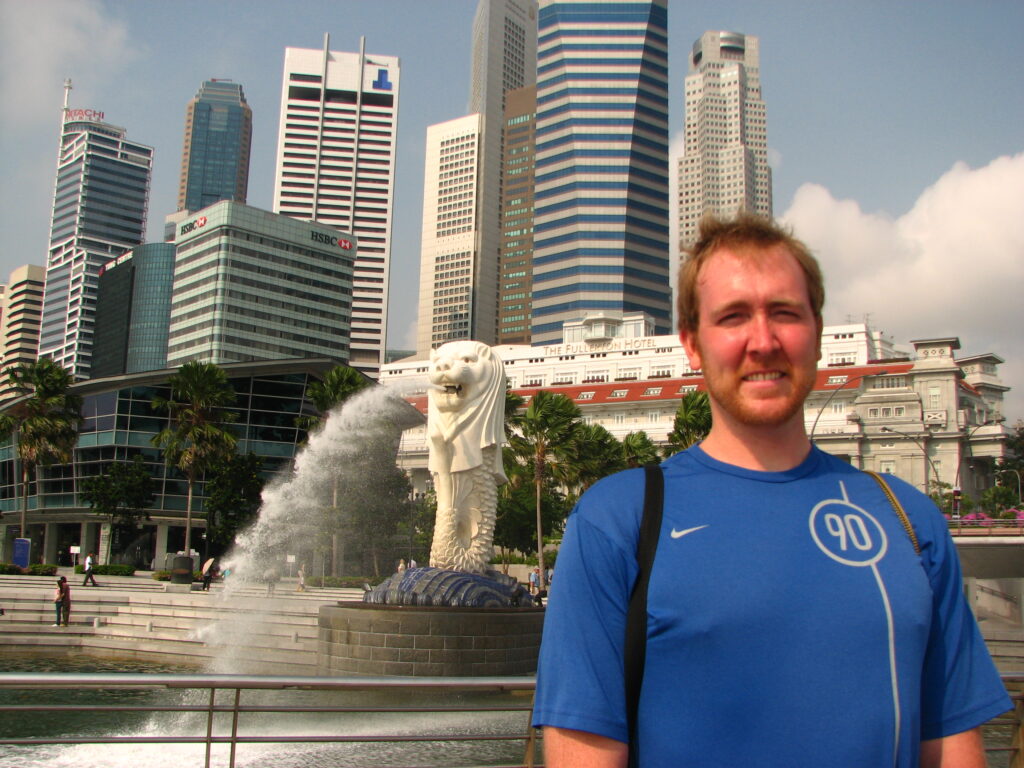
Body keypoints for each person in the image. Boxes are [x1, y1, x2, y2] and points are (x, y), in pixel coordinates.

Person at [532, 215, 1011, 767]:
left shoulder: (908, 519)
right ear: (692, 344)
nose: (763, 342)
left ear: (817, 333)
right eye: (733, 317)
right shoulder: (619, 520)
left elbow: (951, 743)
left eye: (784, 312)